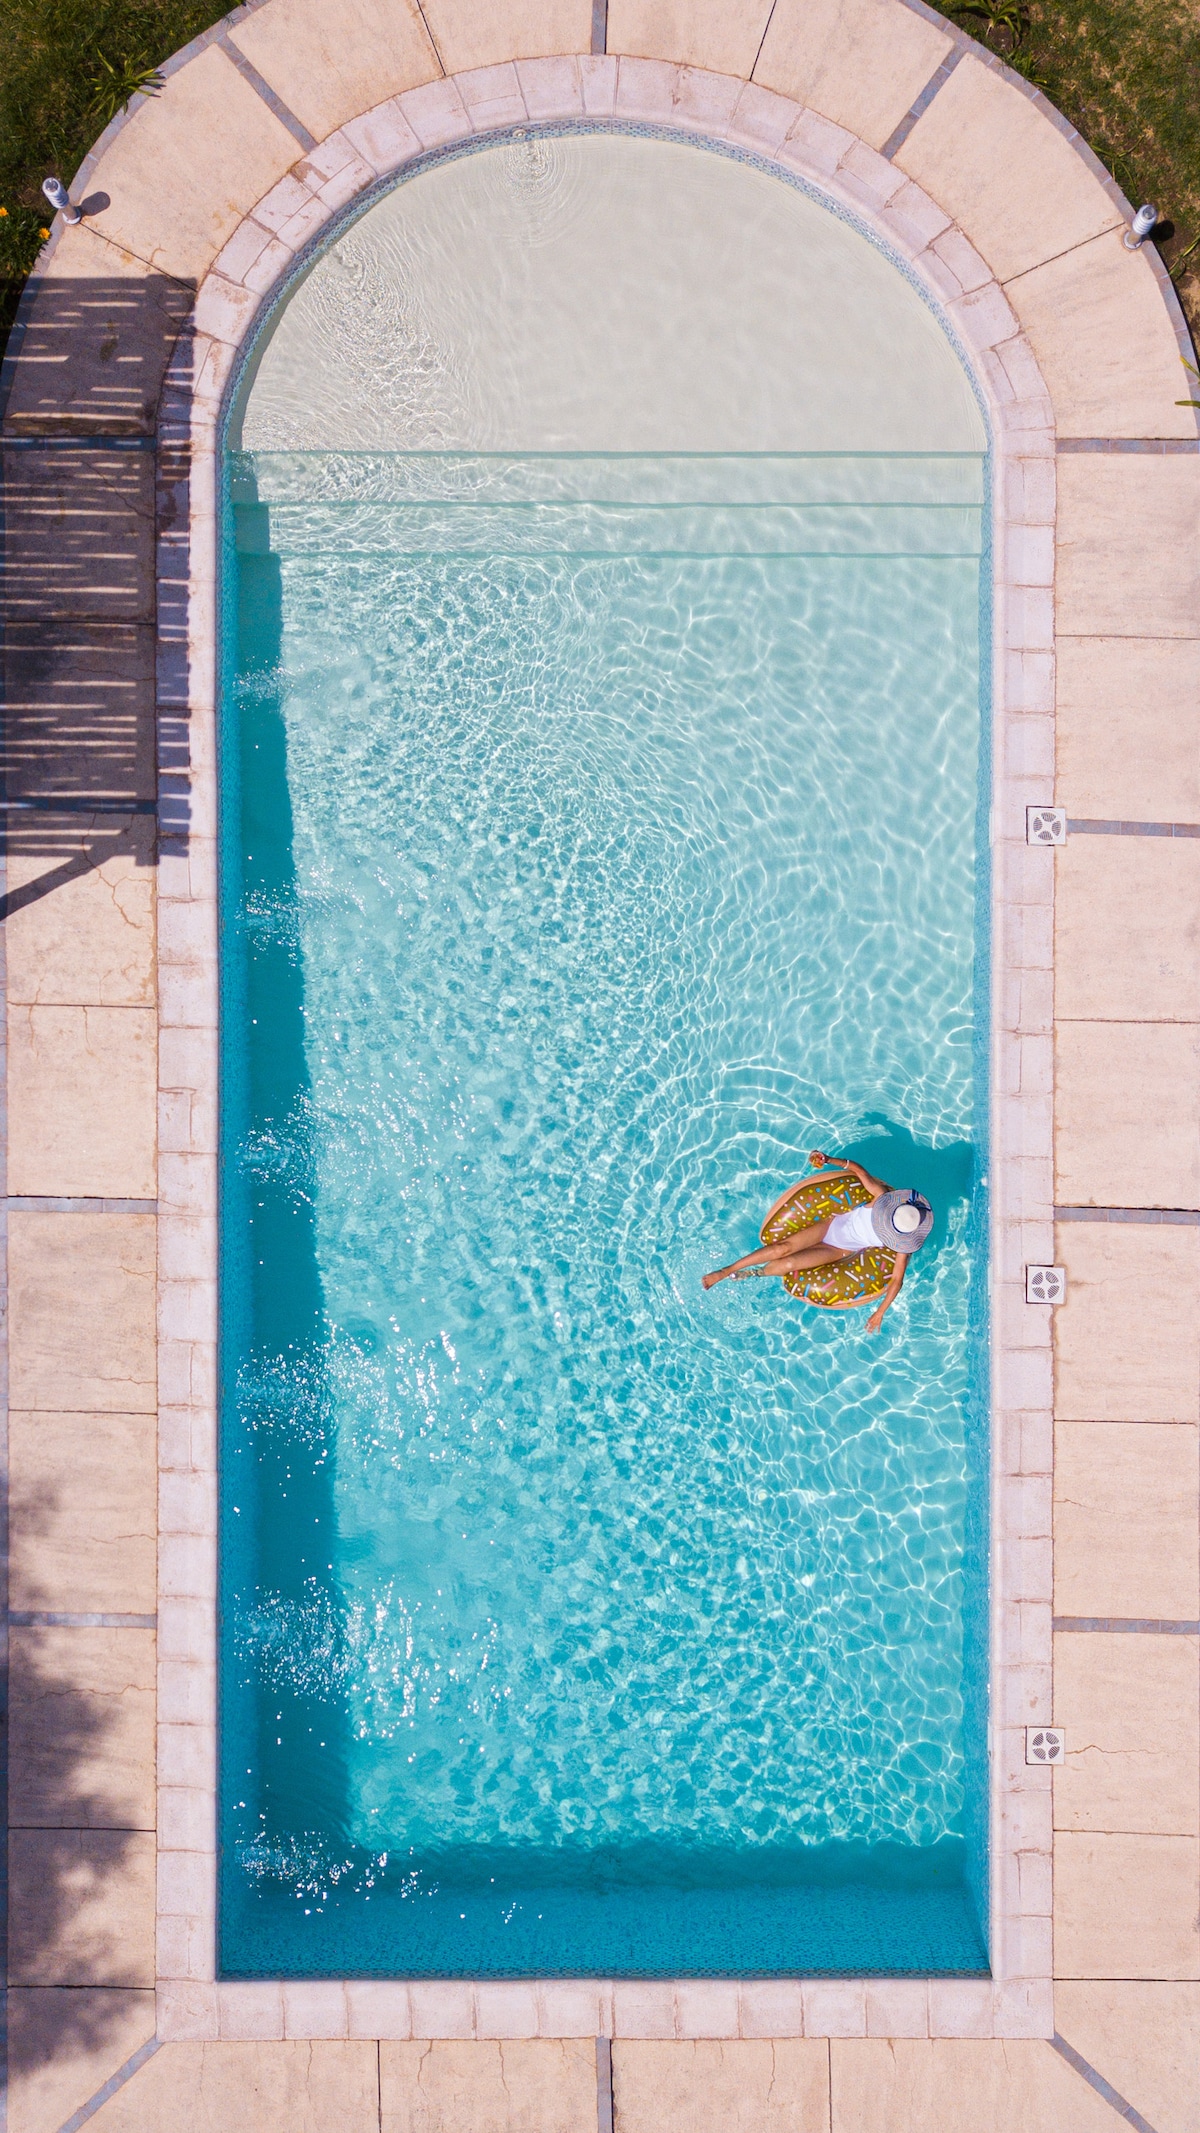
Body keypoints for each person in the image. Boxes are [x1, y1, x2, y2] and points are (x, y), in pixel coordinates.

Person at [702, 1148, 933, 1334]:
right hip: (829, 1226)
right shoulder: (881, 1196)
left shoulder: (901, 1244)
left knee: (788, 1264)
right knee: (783, 1247)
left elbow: (896, 1281)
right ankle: (725, 1271)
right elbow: (859, 1171)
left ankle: (752, 1274)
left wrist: (880, 1312)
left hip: (841, 1250)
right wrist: (827, 1159)